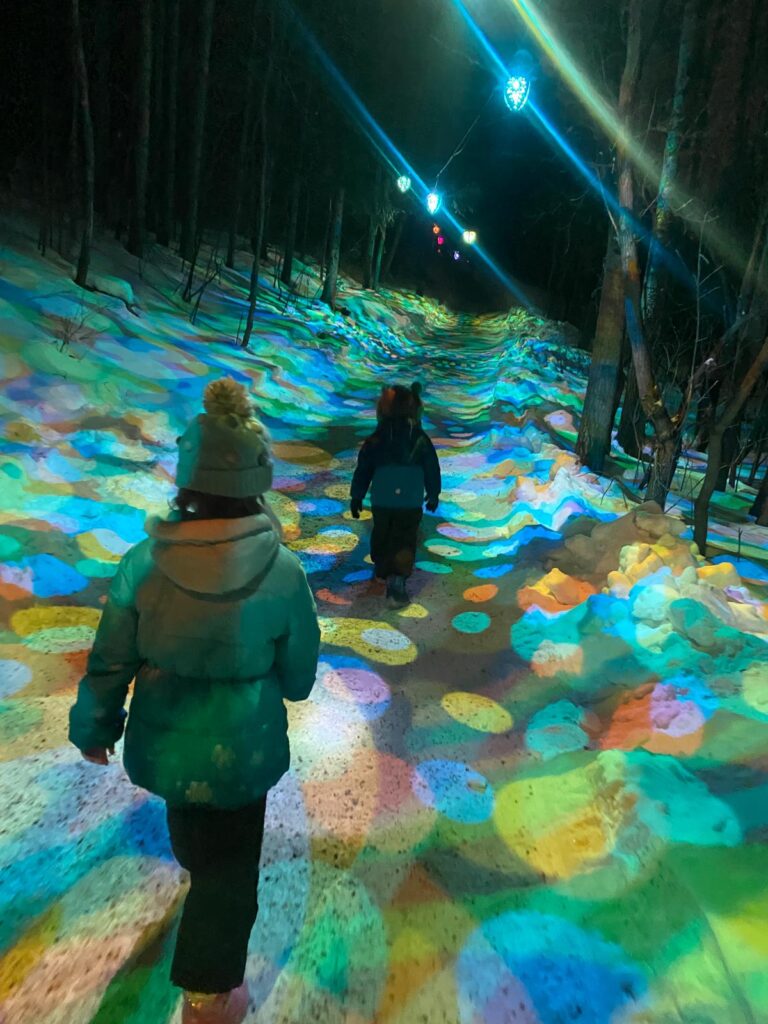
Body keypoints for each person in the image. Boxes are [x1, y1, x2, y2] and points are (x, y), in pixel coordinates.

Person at [69, 378, 320, 1024]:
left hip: (169, 745)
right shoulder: (283, 572)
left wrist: (95, 725)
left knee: (196, 835)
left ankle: (201, 880)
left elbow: (111, 658)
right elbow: (298, 676)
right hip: (244, 753)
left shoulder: (144, 564)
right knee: (229, 874)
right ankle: (207, 997)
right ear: (255, 482)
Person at [350, 382, 441, 607]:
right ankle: (397, 577)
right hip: (409, 500)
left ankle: (382, 565)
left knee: (382, 530)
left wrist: (357, 496)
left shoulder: (376, 438)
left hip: (382, 499)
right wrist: (433, 493)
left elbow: (364, 469)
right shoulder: (419, 438)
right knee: (405, 536)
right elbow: (431, 467)